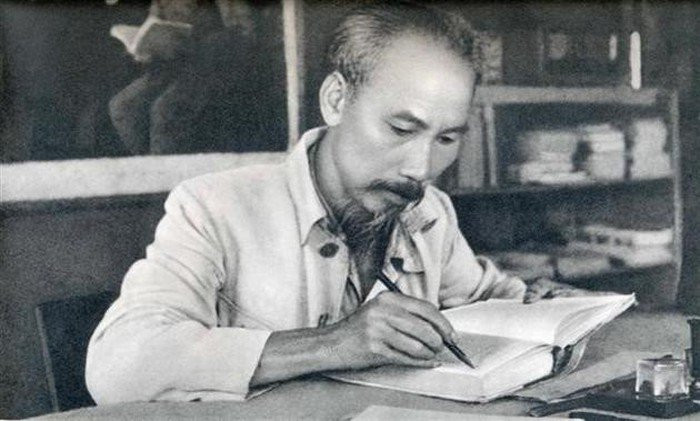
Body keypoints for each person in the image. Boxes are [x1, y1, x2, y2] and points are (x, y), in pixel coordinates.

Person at [86, 2, 590, 404]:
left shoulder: (428, 212)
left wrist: (555, 307)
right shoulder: (215, 207)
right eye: (401, 129)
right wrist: (333, 344)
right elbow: (117, 366)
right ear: (335, 100)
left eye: (446, 138)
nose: (420, 168)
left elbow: (489, 299)